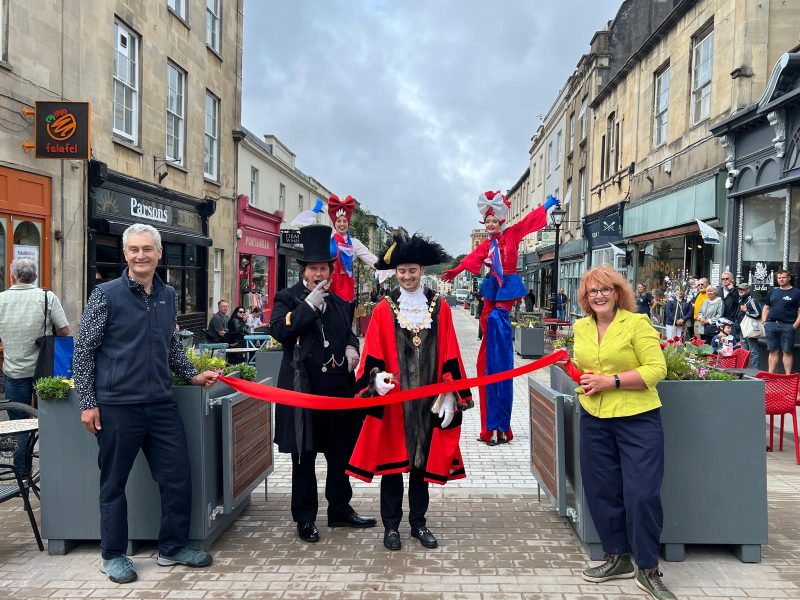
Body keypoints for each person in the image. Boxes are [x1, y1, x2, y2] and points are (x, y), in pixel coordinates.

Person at [73, 223, 218, 585]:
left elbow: (170, 345)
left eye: (147, 249)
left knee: (177, 478)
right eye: (134, 249)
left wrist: (192, 375)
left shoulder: (168, 295)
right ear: (125, 254)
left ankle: (172, 548)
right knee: (114, 483)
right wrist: (88, 402)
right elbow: (83, 352)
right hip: (117, 405)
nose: (141, 256)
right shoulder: (105, 295)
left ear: (158, 253)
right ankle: (113, 555)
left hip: (160, 403)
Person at [346, 233, 473, 551]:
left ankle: (419, 524)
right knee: (392, 469)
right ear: (395, 273)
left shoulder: (439, 306)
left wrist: (449, 393)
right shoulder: (383, 309)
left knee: (421, 468)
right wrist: (374, 380)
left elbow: (450, 351)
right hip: (395, 404)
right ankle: (391, 527)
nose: (407, 276)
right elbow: (371, 353)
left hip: (428, 403)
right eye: (401, 271)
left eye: (412, 270)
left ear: (421, 270)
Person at [565, 265, 674, 600]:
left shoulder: (636, 323)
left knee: (642, 494)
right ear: (585, 297)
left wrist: (609, 382)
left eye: (605, 289)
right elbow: (586, 366)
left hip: (637, 419)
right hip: (595, 416)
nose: (599, 296)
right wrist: (572, 370)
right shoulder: (581, 327)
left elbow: (657, 369)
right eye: (592, 291)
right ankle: (618, 557)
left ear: (617, 292)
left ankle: (648, 568)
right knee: (602, 491)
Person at [269, 224, 376, 544]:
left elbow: (347, 333)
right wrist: (309, 305)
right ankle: (304, 518)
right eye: (314, 268)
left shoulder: (340, 300)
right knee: (304, 457)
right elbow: (280, 332)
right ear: (304, 270)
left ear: (330, 270)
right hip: (304, 392)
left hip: (337, 392)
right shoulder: (286, 298)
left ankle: (340, 509)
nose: (319, 274)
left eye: (324, 268)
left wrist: (352, 347)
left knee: (339, 454)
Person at [442, 192, 559, 445]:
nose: (491, 225)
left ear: (501, 221)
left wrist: (548, 205)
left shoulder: (513, 234)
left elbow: (528, 221)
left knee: (497, 319)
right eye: (488, 222)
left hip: (506, 285)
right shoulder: (487, 244)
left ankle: (499, 422)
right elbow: (471, 258)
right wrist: (457, 270)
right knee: (488, 321)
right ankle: (489, 426)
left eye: (495, 221)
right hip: (491, 289)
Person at [0, 258, 70, 474]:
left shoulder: (1, 300)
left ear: (13, 276)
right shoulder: (47, 297)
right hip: (46, 370)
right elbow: (64, 331)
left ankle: (22, 474)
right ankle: (52, 470)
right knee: (50, 421)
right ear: (36, 276)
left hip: (14, 371)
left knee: (19, 425)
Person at [327, 194, 392, 303]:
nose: (342, 224)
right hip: (329, 286)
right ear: (334, 223)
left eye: (344, 221)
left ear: (348, 223)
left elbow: (370, 258)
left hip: (346, 289)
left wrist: (387, 266)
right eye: (339, 221)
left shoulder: (354, 243)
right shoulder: (328, 242)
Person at [762, 269, 800, 373]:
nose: (781, 280)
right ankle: (771, 374)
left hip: (788, 326)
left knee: (787, 351)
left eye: (783, 277)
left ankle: (788, 376)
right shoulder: (773, 292)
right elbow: (766, 308)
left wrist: (794, 326)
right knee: (773, 351)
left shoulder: (796, 292)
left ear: (789, 278)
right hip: (772, 325)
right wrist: (764, 322)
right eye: (779, 278)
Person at [736, 283, 761, 369]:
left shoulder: (752, 300)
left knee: (754, 351)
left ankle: (754, 371)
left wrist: (746, 311)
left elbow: (757, 314)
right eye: (739, 289)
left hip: (750, 329)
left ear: (748, 290)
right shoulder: (740, 300)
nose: (740, 290)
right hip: (742, 329)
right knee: (743, 351)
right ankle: (743, 370)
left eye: (742, 289)